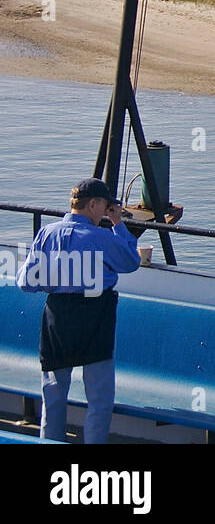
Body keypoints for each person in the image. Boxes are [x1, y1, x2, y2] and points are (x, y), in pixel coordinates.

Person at [18, 178, 141, 444]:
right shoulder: (102, 237)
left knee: (53, 394)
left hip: (57, 319)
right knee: (99, 398)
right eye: (105, 206)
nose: (106, 212)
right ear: (93, 204)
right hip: (95, 318)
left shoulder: (47, 234)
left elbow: (26, 282)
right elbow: (132, 262)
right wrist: (118, 224)